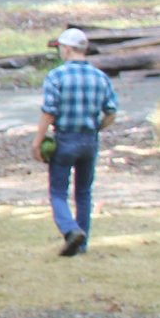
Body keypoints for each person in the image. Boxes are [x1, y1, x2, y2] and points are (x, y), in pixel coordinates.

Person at [40, 26, 119, 257]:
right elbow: (111, 112)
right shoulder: (100, 77)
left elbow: (49, 112)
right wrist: (96, 128)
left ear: (66, 49)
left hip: (65, 139)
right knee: (84, 192)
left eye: (60, 48)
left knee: (57, 192)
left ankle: (71, 230)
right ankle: (82, 244)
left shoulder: (57, 76)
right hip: (89, 140)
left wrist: (38, 141)